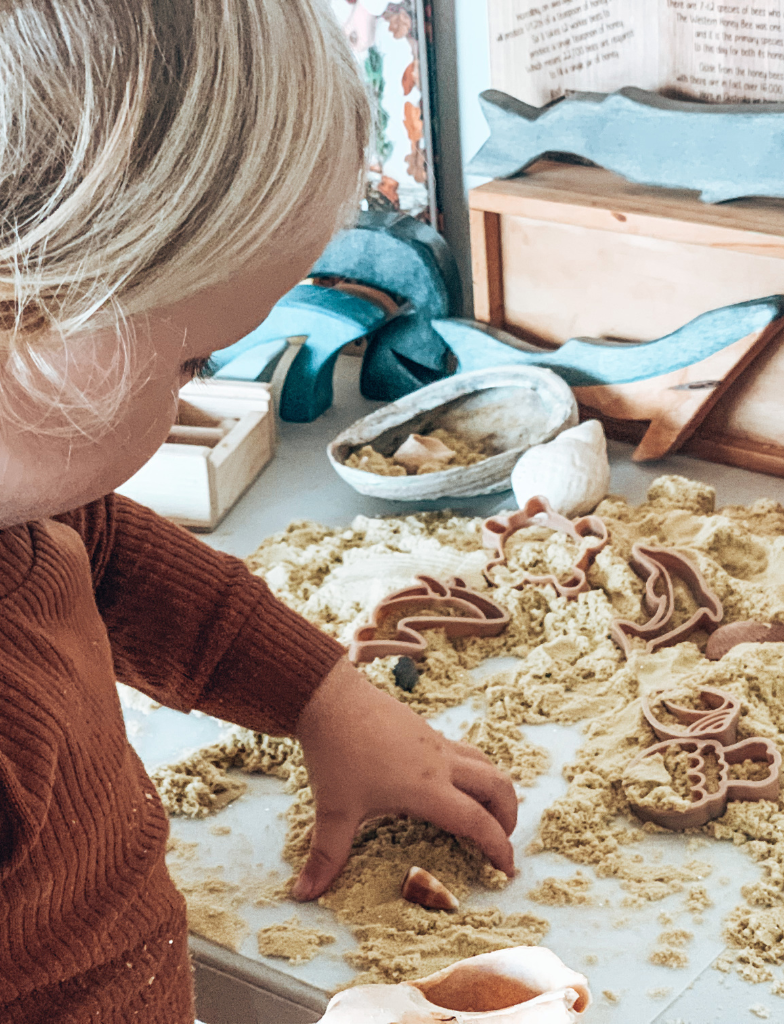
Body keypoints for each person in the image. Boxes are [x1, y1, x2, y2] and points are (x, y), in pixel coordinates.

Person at [0, 2, 517, 1022]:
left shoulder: (23, 502)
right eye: (191, 357)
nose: (195, 395)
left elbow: (91, 546)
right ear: (24, 305)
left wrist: (323, 697)